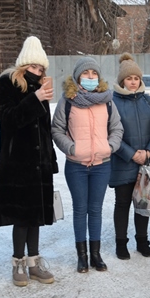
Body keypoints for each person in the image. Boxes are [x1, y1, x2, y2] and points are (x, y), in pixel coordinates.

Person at [0, 36, 58, 287]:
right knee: (21, 218)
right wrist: (35, 98)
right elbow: (8, 119)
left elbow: (45, 130)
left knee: (36, 217)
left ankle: (34, 262)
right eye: (33, 67)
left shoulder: (39, 89)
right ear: (23, 66)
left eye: (41, 69)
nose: (37, 72)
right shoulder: (7, 83)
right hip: (16, 164)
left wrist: (50, 160)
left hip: (38, 165)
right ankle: (18, 262)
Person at [51, 56, 123, 273]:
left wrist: (109, 147)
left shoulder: (107, 100)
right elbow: (56, 129)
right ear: (77, 76)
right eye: (86, 73)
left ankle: (95, 254)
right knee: (80, 209)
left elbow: (117, 128)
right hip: (76, 166)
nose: (90, 77)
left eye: (93, 74)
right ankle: (81, 256)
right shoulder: (67, 101)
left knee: (96, 209)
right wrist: (72, 149)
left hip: (102, 164)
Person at [109, 53, 150, 260]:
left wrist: (148, 152)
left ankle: (142, 241)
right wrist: (132, 154)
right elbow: (110, 132)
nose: (133, 82)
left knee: (144, 203)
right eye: (129, 78)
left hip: (147, 162)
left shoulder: (148, 101)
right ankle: (121, 243)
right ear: (122, 80)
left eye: (136, 78)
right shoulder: (112, 101)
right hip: (123, 161)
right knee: (122, 204)